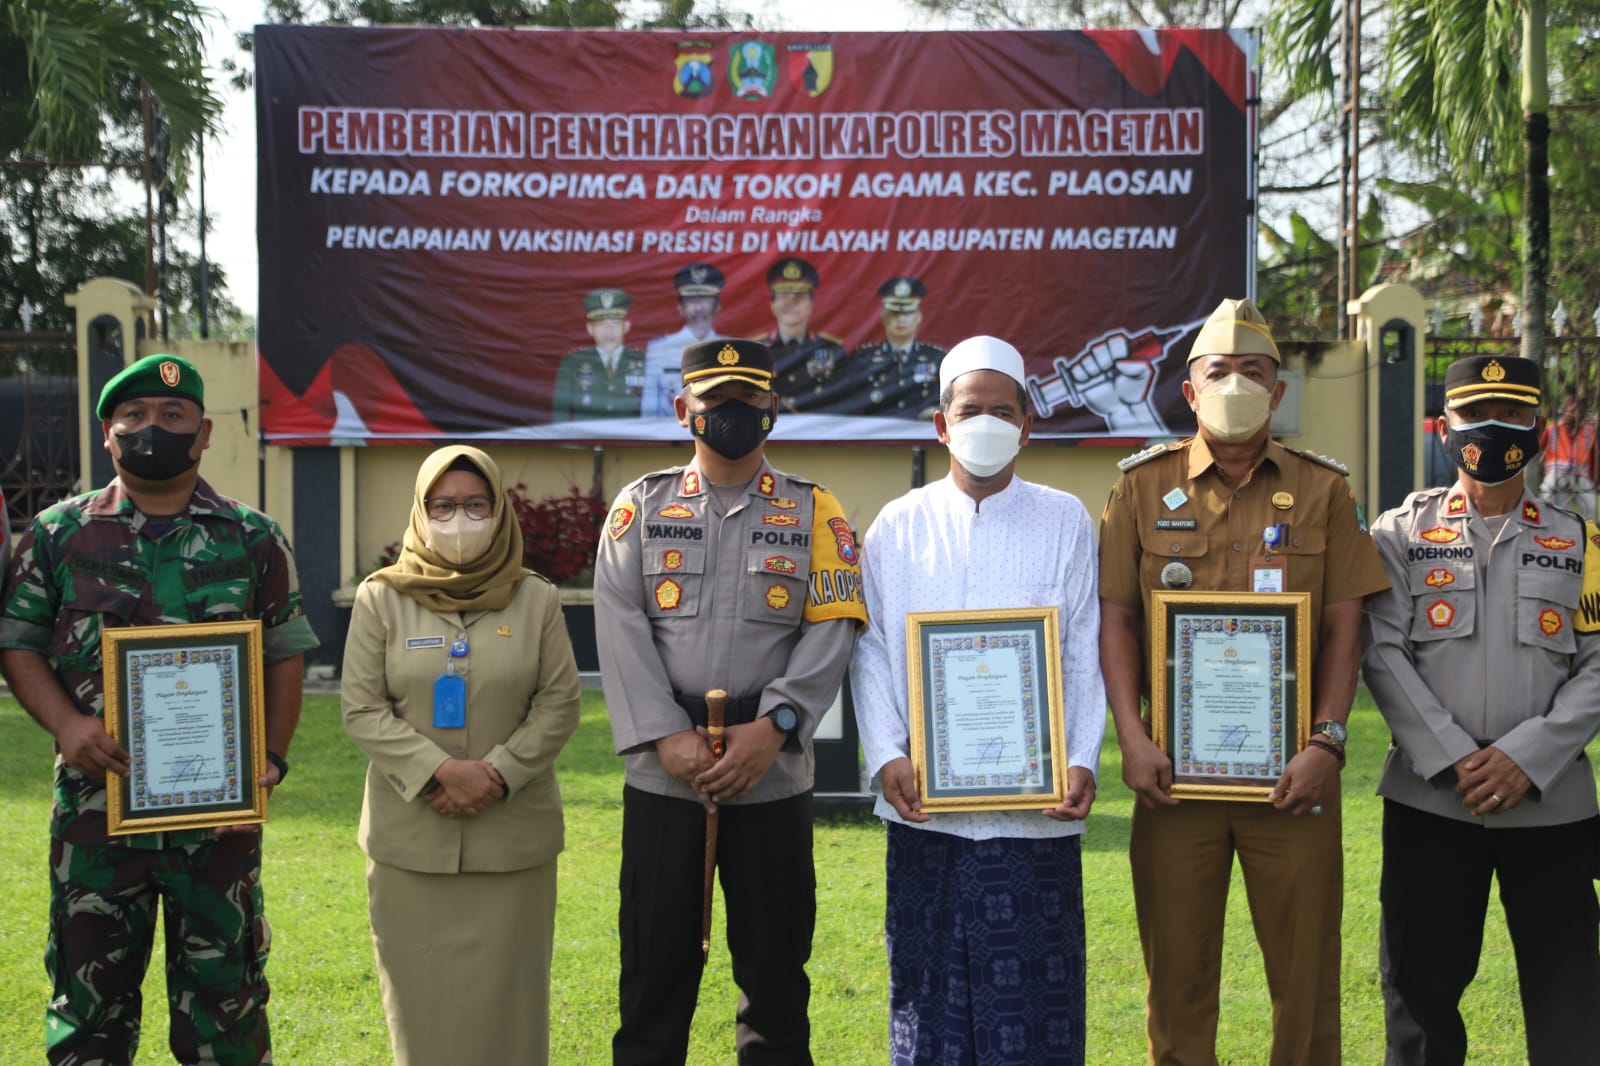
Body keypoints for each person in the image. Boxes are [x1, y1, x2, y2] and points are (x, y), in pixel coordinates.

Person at [0, 353, 319, 1064]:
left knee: (225, 1008)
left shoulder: (254, 537)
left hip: (219, 823)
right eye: (134, 416)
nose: (154, 428)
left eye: (173, 416)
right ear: (107, 434)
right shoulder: (57, 534)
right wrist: (66, 723)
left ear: (204, 433)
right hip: (95, 816)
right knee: (89, 1010)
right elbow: (18, 645)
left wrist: (265, 757)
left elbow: (284, 652)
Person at [1098, 298, 1390, 1066]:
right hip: (1173, 780)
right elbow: (1117, 621)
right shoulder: (1139, 486)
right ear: (1189, 393)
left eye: (1253, 372)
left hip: (1291, 779)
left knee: (1305, 978)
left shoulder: (1325, 491)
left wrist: (1329, 742)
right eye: (1218, 372)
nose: (1236, 384)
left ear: (1279, 391)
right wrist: (1131, 739)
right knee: (1178, 977)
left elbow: (1343, 628)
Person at [594, 337, 866, 1065]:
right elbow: (618, 625)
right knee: (654, 975)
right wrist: (665, 736)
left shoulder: (815, 510)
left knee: (776, 978)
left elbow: (834, 623)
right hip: (663, 776)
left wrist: (776, 726)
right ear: (686, 410)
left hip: (769, 772)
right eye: (716, 403)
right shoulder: (640, 507)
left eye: (748, 402)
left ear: (772, 410)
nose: (733, 415)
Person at [850, 335, 1106, 1064]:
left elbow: (1082, 649)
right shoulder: (897, 526)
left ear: (1028, 423)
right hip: (926, 810)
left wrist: (1081, 756)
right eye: (971, 409)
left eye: (1002, 409)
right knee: (928, 1001)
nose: (985, 422)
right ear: (941, 423)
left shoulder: (1065, 519)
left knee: (1036, 1008)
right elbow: (872, 652)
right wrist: (888, 754)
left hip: (1035, 817)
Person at [1363, 355, 1600, 1064]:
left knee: (1569, 996)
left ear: (1537, 428)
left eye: (1515, 416)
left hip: (1552, 804)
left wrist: (1527, 758)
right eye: (1473, 415)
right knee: (1419, 994)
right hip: (1433, 800)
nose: (1493, 429)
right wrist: (1458, 757)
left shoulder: (1583, 540)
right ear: (1444, 427)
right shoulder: (1399, 535)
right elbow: (1381, 653)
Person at [340, 444, 581, 1066]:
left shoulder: (537, 600)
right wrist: (437, 772)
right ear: (420, 512)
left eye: (476, 505)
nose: (459, 520)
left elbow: (559, 704)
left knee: (512, 1006)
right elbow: (362, 708)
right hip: (409, 845)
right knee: (420, 1012)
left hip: (513, 845)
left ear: (500, 511)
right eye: (442, 506)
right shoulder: (379, 598)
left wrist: (498, 775)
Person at [844, 276, 946, 418]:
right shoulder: (863, 358)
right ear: (883, 317)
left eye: (908, 312)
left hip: (921, 433)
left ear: (919, 317)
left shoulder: (937, 358)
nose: (901, 319)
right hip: (874, 435)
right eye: (895, 313)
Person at [759, 257, 847, 413]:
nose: (792, 302)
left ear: (812, 303)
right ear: (772, 304)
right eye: (784, 296)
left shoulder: (832, 349)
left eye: (800, 296)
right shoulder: (756, 350)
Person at [641, 263, 726, 417]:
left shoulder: (731, 349)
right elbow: (648, 411)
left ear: (717, 305)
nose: (699, 307)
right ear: (680, 307)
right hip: (672, 437)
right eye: (691, 300)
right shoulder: (659, 349)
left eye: (706, 299)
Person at [552, 288, 646, 420]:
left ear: (626, 326)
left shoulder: (644, 361)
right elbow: (560, 414)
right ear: (590, 328)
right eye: (601, 323)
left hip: (631, 439)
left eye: (615, 323)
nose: (609, 330)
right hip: (586, 439)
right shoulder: (573, 363)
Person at [1537, 394, 1597, 519]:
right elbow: (1538, 449)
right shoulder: (1552, 429)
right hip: (1557, 472)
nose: (1574, 415)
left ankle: (1589, 531)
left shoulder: (1590, 430)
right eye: (1571, 411)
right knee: (1548, 494)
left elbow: (1595, 456)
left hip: (1581, 475)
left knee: (1591, 505)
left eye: (1578, 412)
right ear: (1564, 412)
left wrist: (1594, 478)